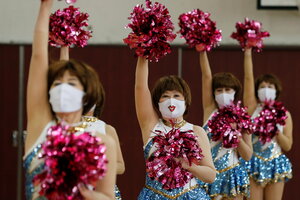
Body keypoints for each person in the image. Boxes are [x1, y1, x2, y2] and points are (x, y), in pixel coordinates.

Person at [24, 1, 116, 199]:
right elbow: (38, 57)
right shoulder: (41, 127)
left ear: (86, 94)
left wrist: (88, 194)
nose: (63, 88)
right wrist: (45, 7)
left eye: (72, 83)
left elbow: (108, 196)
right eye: (57, 83)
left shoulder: (104, 142)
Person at [135, 57, 216, 200]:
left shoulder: (197, 131)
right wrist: (144, 55)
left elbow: (211, 175)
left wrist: (191, 167)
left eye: (176, 95)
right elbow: (140, 87)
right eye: (165, 96)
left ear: (186, 101)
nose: (170, 100)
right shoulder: (151, 125)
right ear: (157, 102)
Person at [60, 46, 125, 200]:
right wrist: (64, 47)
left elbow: (121, 166)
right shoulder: (65, 123)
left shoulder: (107, 129)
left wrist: (92, 165)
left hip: (102, 191)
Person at [199, 51, 253, 200]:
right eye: (219, 90)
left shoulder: (243, 118)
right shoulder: (210, 110)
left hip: (233, 174)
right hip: (208, 173)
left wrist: (236, 136)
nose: (223, 93)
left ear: (235, 93)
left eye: (227, 90)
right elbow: (206, 77)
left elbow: (248, 155)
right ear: (214, 93)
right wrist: (202, 52)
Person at [243, 48, 293, 200]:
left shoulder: (285, 114)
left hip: (275, 162)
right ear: (257, 91)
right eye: (262, 87)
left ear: (276, 91)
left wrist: (276, 131)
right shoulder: (252, 108)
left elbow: (288, 145)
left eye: (270, 87)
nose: (266, 90)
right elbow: (248, 78)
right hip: (254, 162)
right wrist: (247, 52)